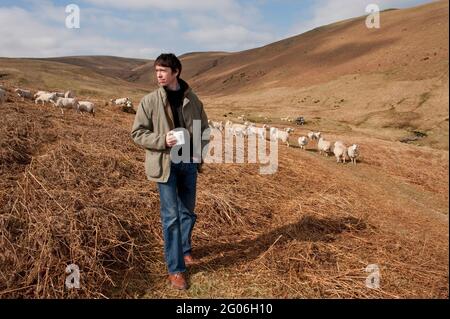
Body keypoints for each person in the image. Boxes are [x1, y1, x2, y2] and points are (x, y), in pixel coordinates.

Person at [131, 53, 209, 290]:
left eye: (163, 71)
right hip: (165, 164)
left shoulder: (192, 100)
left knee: (187, 212)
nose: (159, 75)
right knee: (171, 217)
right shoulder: (150, 101)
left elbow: (204, 128)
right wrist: (162, 139)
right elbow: (138, 133)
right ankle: (176, 269)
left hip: (188, 162)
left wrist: (199, 154)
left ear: (176, 71)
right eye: (156, 71)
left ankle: (185, 249)